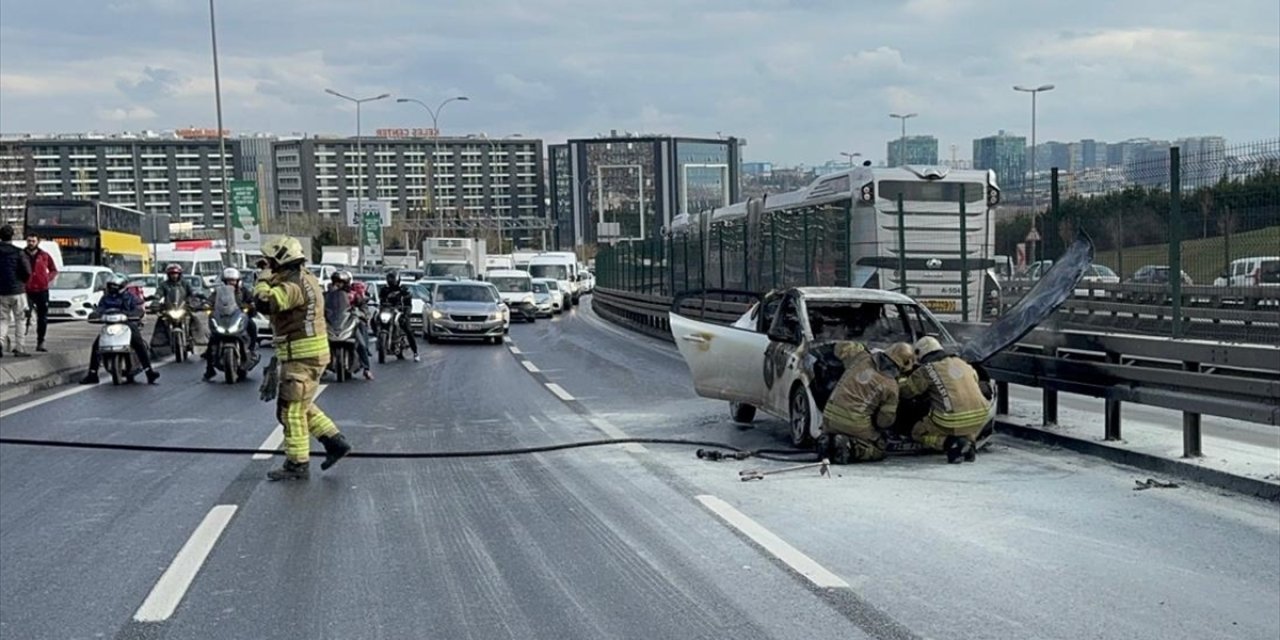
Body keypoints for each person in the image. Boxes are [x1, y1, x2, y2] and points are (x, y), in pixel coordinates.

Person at [253, 236, 351, 481]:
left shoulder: (293, 285)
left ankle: (297, 463)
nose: (269, 265)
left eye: (271, 261)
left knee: (290, 411)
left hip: (301, 357)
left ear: (282, 260)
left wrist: (262, 279)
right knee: (302, 406)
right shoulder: (304, 278)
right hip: (305, 355)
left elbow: (265, 303)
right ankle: (334, 442)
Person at [818, 341, 915, 464]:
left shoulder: (862, 357)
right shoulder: (891, 386)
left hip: (828, 416)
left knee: (839, 427)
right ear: (904, 365)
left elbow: (840, 347)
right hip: (853, 423)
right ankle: (851, 447)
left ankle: (828, 441)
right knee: (879, 447)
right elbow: (884, 421)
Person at [900, 336, 994, 463]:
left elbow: (906, 392)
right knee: (963, 425)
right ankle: (968, 444)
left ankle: (951, 444)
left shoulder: (926, 370)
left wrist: (899, 381)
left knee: (918, 431)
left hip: (951, 420)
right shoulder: (963, 363)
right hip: (980, 417)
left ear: (920, 353)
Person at [80, 275, 159, 384]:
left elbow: (137, 308)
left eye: (115, 286)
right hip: (109, 325)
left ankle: (149, 372)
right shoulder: (105, 298)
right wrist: (95, 314)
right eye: (111, 286)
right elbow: (100, 309)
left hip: (128, 325)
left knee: (139, 343)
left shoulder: (130, 297)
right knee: (96, 346)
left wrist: (133, 314)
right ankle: (92, 374)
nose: (112, 288)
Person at [202, 267, 260, 381]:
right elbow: (211, 299)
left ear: (238, 281)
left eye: (233, 280)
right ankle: (209, 369)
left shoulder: (243, 290)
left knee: (252, 326)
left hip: (239, 317)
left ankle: (251, 350)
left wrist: (252, 304)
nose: (231, 283)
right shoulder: (219, 292)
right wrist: (206, 304)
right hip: (224, 319)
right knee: (211, 342)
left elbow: (251, 299)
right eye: (229, 281)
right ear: (224, 281)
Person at [331, 271, 373, 380]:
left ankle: (366, 369)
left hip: (350, 323)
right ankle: (320, 368)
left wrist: (362, 314)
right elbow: (324, 307)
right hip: (334, 323)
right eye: (336, 282)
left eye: (340, 282)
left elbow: (363, 306)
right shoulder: (329, 295)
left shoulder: (354, 295)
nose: (337, 285)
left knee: (361, 344)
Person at [0, 224, 31, 358]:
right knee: (20, 319)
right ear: (12, 236)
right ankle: (19, 348)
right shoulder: (19, 252)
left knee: (3, 319)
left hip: (1, 291)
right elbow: (27, 271)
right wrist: (21, 281)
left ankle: (0, 342)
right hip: (18, 291)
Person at [23, 232, 57, 352]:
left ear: (38, 242)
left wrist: (47, 278)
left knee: (42, 317)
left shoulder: (44, 255)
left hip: (42, 290)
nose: (31, 243)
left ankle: (40, 341)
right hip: (27, 290)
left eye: (33, 241)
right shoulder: (22, 254)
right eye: (29, 241)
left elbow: (53, 269)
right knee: (24, 315)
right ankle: (21, 342)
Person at [378, 270, 420, 362]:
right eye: (390, 279)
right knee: (375, 319)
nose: (391, 281)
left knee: (408, 329)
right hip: (387, 312)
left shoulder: (403, 290)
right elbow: (381, 303)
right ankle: (381, 341)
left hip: (400, 312)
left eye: (393, 279)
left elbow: (408, 304)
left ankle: (415, 353)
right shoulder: (384, 290)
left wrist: (405, 314)